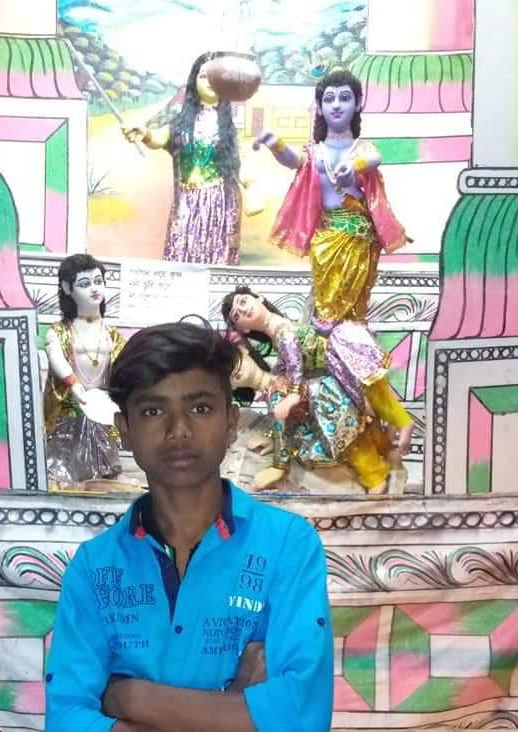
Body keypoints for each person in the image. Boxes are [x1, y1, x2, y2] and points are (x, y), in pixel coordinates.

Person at [44, 323, 333, 732]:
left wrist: (131, 698)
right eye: (153, 411)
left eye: (200, 407)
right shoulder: (93, 569)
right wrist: (236, 705)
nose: (178, 431)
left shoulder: (287, 548)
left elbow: (302, 725)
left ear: (230, 419)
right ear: (125, 429)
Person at [254, 67, 414, 458]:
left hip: (358, 241)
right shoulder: (316, 152)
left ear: (358, 103)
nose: (337, 105)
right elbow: (295, 160)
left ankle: (370, 408)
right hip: (325, 244)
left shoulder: (361, 149)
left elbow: (374, 157)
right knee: (329, 328)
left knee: (342, 325)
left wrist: (355, 166)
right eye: (329, 99)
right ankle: (360, 407)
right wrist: (274, 143)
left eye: (345, 97)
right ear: (320, 107)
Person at [222, 286, 402, 494]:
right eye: (237, 315)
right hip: (319, 384)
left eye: (243, 301)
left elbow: (295, 365)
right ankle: (383, 459)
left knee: (342, 435)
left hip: (327, 385)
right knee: (341, 431)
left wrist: (293, 394)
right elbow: (289, 365)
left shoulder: (283, 330)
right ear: (243, 329)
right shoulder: (277, 336)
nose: (243, 310)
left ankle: (375, 477)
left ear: (259, 298)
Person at [123, 52, 262, 264]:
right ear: (194, 81)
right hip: (186, 202)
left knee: (218, 260)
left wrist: (252, 189)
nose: (210, 82)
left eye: (216, 77)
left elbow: (243, 161)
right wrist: (145, 134)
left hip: (221, 204)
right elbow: (159, 138)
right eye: (204, 76)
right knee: (180, 255)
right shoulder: (181, 121)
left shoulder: (232, 126)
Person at [44, 254, 125, 487]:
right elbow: (56, 358)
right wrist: (74, 384)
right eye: (85, 283)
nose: (94, 289)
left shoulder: (112, 334)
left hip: (102, 407)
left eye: (98, 281)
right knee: (61, 472)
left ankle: (107, 474)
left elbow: (124, 365)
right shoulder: (59, 331)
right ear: (67, 288)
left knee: (106, 471)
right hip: (70, 407)